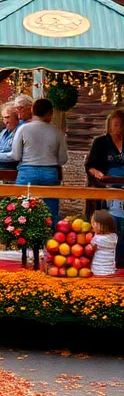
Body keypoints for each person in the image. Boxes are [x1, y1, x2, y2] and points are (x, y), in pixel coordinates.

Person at [9, 97, 67, 223]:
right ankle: (48, 239)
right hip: (50, 173)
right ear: (50, 113)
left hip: (27, 172)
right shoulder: (57, 132)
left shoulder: (23, 129)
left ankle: (21, 239)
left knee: (21, 210)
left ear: (32, 110)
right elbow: (63, 159)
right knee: (49, 212)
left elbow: (16, 156)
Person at [85, 108, 124, 269]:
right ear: (109, 126)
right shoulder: (101, 142)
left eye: (122, 126)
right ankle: (108, 260)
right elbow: (91, 166)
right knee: (111, 225)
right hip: (108, 187)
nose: (119, 129)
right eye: (116, 125)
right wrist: (99, 174)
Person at [90, 209, 118, 276]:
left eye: (93, 224)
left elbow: (91, 250)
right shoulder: (114, 237)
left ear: (100, 226)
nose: (92, 226)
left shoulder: (97, 239)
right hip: (110, 270)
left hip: (97, 270)